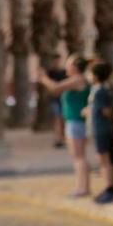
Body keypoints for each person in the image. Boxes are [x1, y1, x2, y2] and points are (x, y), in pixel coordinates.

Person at [39, 54, 91, 197]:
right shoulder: (78, 79)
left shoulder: (77, 79)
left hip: (76, 122)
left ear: (74, 67)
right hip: (75, 122)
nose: (66, 66)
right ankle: (82, 186)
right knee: (79, 156)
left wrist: (43, 78)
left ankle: (82, 188)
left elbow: (55, 88)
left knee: (78, 156)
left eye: (68, 63)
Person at [86, 60, 113, 204]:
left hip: (102, 129)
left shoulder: (101, 91)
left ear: (96, 76)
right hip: (104, 128)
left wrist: (92, 111)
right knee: (107, 160)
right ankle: (109, 187)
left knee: (105, 161)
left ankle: (110, 188)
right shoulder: (105, 89)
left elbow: (107, 111)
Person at [45, 54, 68, 149]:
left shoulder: (64, 72)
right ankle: (58, 138)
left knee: (63, 119)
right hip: (55, 99)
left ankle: (63, 138)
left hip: (63, 98)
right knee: (57, 119)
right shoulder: (50, 72)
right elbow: (50, 87)